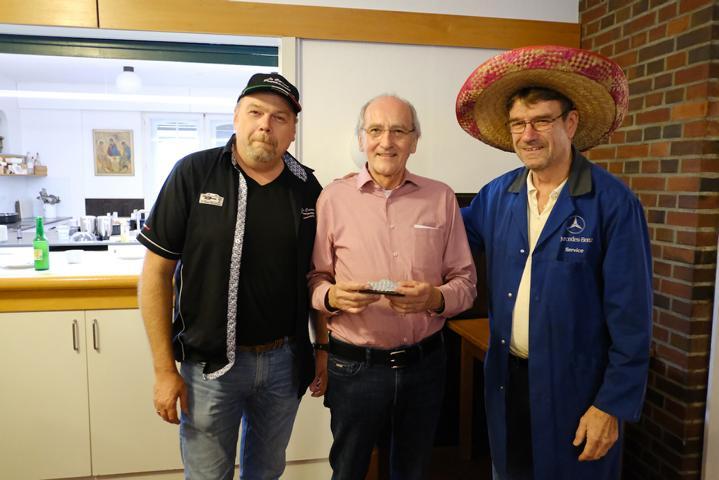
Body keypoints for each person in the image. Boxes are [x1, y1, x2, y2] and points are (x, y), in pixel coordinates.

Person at [456, 46, 653, 479]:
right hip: (508, 381)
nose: (528, 134)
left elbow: (633, 319)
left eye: (542, 120)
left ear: (571, 123)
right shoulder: (496, 195)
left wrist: (610, 406)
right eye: (518, 123)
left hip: (579, 391)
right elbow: (447, 240)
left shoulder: (612, 203)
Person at [137, 72, 323, 480]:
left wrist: (322, 347)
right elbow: (155, 274)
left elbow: (317, 274)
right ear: (236, 117)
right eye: (255, 112)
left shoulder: (308, 187)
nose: (265, 125)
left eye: (279, 117)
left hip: (284, 363)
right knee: (208, 475)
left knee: (267, 471)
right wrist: (164, 370)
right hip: (209, 368)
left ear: (292, 131)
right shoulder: (194, 173)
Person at [308, 94, 477, 480]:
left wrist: (435, 298)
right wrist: (331, 296)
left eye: (399, 131)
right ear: (361, 139)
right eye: (376, 130)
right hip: (354, 367)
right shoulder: (333, 197)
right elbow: (315, 280)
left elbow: (466, 284)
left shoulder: (441, 197)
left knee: (413, 471)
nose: (387, 141)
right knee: (348, 470)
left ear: (415, 141)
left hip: (425, 365)